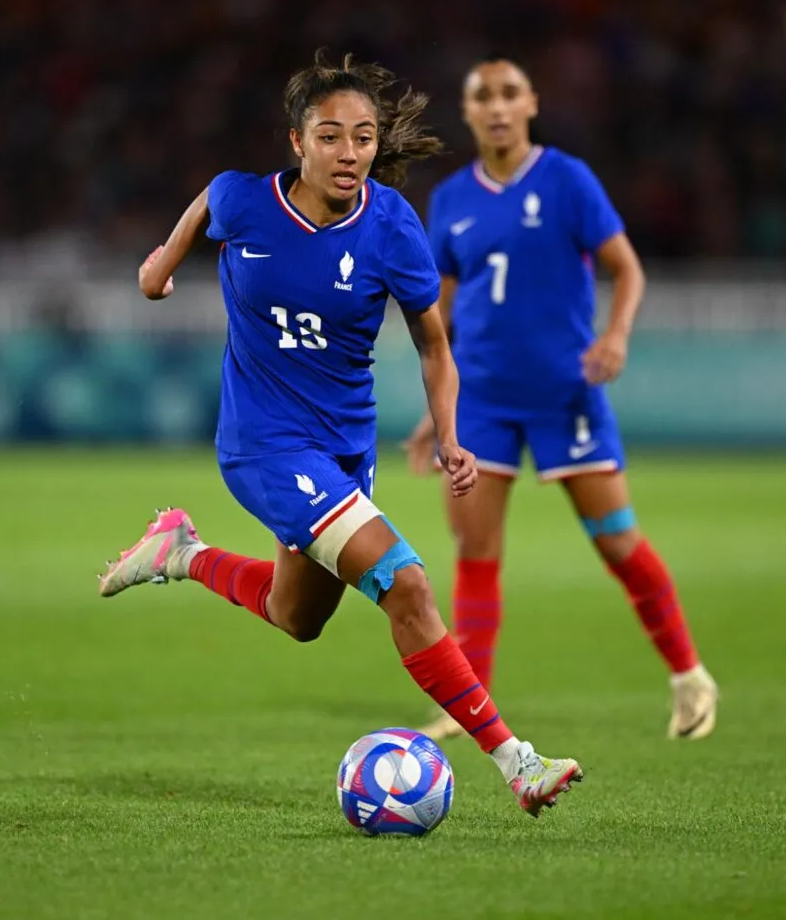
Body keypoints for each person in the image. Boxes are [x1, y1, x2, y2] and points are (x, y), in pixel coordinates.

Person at [97, 50, 582, 818]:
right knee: (409, 583)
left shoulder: (391, 224)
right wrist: (161, 263)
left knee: (299, 618)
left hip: (343, 449)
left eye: (362, 137)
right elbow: (205, 204)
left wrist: (450, 434)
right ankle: (517, 761)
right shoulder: (245, 202)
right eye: (330, 136)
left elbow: (432, 343)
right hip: (263, 444)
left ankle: (180, 552)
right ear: (297, 143)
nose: (349, 152)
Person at [402, 57, 718, 741]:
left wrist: (617, 335)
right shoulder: (452, 198)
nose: (497, 106)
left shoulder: (569, 180)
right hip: (482, 394)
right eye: (482, 95)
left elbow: (626, 266)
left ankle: (690, 674)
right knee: (476, 551)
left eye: (509, 93)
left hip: (563, 393)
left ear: (531, 104)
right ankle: (470, 703)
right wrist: (437, 413)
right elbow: (441, 312)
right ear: (468, 111)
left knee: (616, 541)